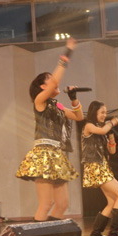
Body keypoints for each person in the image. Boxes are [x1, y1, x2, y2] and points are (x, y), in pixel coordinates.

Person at [15, 38, 84, 221]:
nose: (54, 82)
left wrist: (74, 98)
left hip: (57, 153)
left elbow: (78, 117)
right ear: (43, 86)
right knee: (46, 203)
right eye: (49, 79)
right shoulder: (40, 101)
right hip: (43, 153)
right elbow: (55, 82)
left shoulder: (57, 105)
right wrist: (67, 52)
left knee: (62, 204)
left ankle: (50, 234)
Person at [81, 101, 118, 236]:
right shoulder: (89, 126)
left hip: (102, 167)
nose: (104, 115)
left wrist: (111, 134)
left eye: (106, 112)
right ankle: (114, 232)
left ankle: (96, 233)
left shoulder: (102, 130)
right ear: (94, 112)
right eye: (102, 112)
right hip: (95, 167)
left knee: (112, 201)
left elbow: (112, 151)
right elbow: (102, 130)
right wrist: (113, 122)